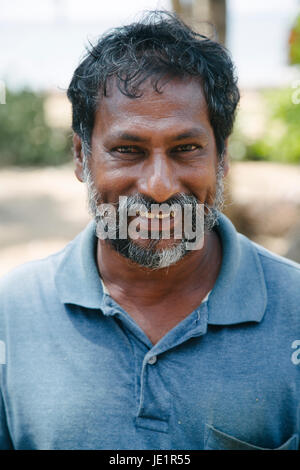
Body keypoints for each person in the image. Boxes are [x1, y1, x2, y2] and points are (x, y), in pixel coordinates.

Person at [0, 11, 299, 451]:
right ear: (81, 158)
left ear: (222, 158)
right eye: (127, 149)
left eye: (185, 149)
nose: (159, 187)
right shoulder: (12, 313)